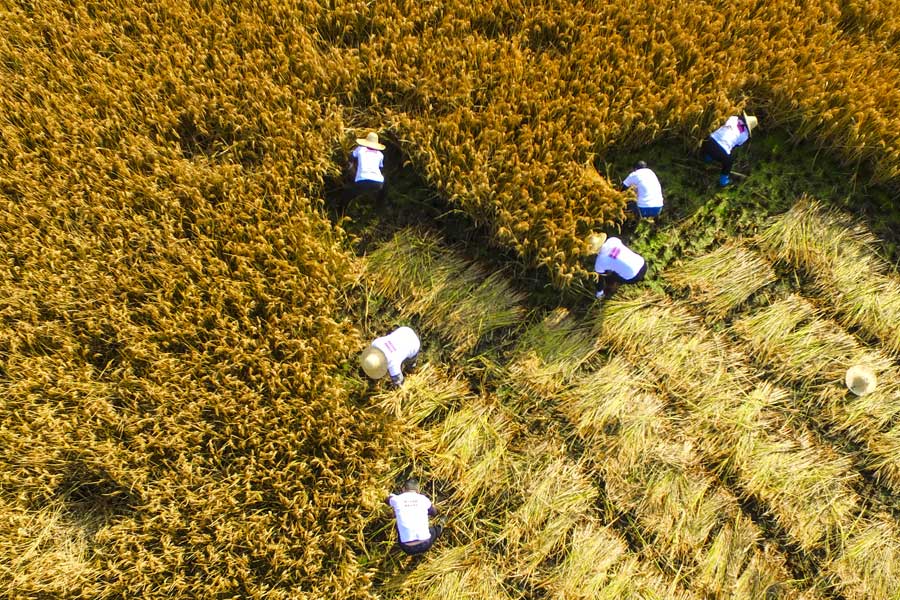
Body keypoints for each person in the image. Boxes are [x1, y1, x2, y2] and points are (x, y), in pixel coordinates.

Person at [386, 478, 444, 556]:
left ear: (403, 489)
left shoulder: (397, 499)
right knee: (435, 530)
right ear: (418, 490)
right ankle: (442, 524)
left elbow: (387, 499)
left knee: (399, 524)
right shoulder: (423, 499)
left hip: (406, 548)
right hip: (425, 544)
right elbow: (434, 512)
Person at [701, 112, 759, 187]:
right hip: (720, 151)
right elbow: (736, 145)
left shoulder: (734, 118)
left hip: (708, 141)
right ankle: (723, 181)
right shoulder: (745, 135)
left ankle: (707, 158)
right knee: (729, 162)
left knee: (714, 147)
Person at [588, 233, 647, 300]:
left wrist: (599, 293)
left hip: (633, 278)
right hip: (643, 264)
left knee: (607, 275)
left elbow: (598, 279)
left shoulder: (600, 263)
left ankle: (610, 287)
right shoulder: (613, 240)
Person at [347, 131, 386, 200]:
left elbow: (350, 156)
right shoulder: (380, 154)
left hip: (361, 181)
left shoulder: (360, 149)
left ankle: (354, 188)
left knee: (350, 164)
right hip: (378, 183)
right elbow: (381, 168)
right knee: (382, 176)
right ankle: (378, 201)